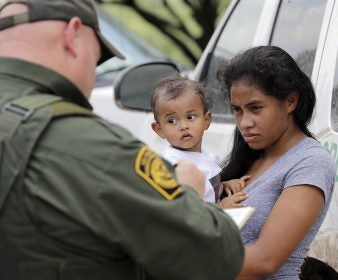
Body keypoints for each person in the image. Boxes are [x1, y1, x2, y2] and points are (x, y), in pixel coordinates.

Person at [0, 1, 245, 280]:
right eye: (95, 61)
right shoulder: (92, 145)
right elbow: (217, 254)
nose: (92, 78)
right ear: (72, 34)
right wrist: (189, 193)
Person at [217, 45, 336, 279]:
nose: (244, 122)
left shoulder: (310, 161)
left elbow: (264, 261)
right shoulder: (250, 156)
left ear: (290, 101)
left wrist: (178, 260)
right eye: (237, 110)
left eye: (255, 108)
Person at [151, 73, 250, 207]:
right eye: (172, 120)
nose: (183, 126)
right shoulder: (173, 165)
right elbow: (185, 210)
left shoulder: (206, 155)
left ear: (206, 120)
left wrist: (224, 185)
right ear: (159, 129)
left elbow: (207, 190)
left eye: (190, 117)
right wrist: (221, 207)